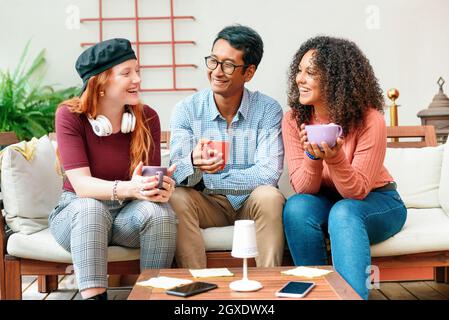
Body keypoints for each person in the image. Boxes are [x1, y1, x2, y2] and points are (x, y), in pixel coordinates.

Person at [49, 38, 178, 300]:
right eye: (126, 73)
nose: (138, 79)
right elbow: (83, 186)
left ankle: (153, 296)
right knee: (90, 208)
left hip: (125, 218)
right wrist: (131, 187)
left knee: (161, 213)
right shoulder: (70, 116)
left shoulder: (148, 117)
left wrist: (159, 190)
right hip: (77, 215)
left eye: (138, 71)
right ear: (101, 82)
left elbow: (148, 181)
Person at [282, 36, 407, 300]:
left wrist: (335, 158)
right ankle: (316, 294)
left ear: (336, 79)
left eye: (310, 73)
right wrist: (312, 156)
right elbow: (304, 188)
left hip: (378, 201)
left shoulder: (371, 119)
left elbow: (358, 191)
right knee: (296, 207)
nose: (299, 79)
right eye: (299, 71)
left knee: (344, 211)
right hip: (327, 200)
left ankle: (350, 297)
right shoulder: (294, 119)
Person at [168, 25, 285, 268]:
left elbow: (268, 173)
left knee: (270, 196)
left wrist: (209, 182)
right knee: (176, 197)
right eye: (213, 61)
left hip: (249, 202)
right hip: (206, 204)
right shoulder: (187, 109)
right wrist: (193, 162)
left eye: (229, 65)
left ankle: (269, 288)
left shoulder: (268, 110)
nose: (217, 72)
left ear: (249, 72)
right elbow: (175, 171)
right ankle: (197, 287)